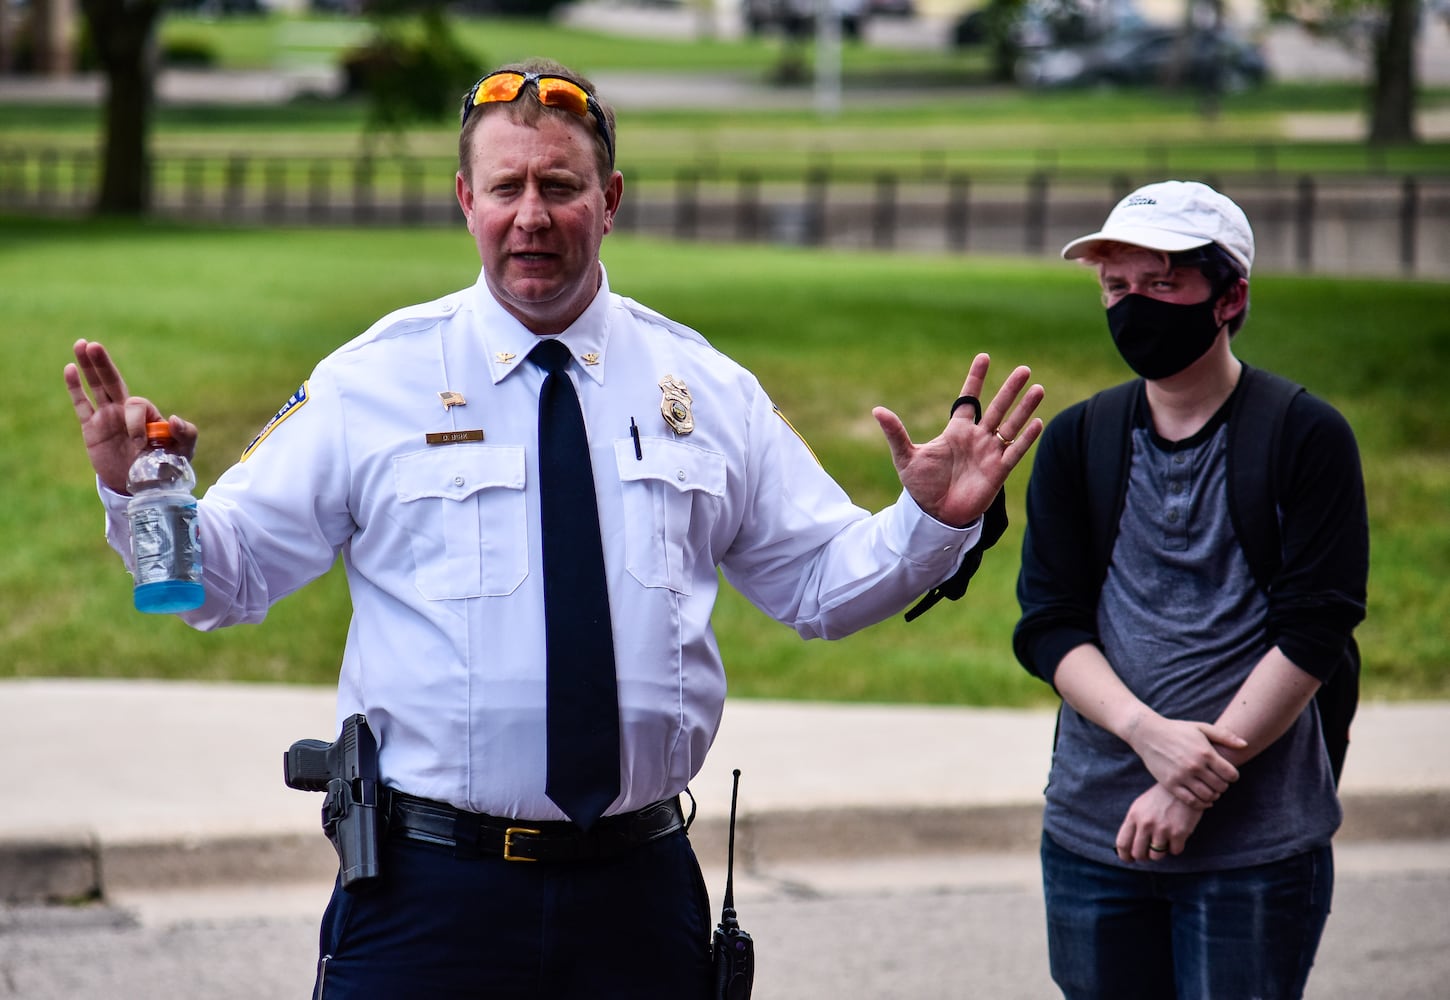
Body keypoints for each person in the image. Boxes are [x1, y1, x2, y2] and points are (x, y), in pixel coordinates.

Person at [64, 58, 1044, 1000]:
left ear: (609, 199)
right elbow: (207, 587)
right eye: (506, 188)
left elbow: (820, 586)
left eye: (560, 186)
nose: (530, 215)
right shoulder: (373, 380)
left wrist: (928, 523)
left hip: (639, 895)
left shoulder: (703, 387)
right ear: (465, 200)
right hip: (427, 897)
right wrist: (143, 499)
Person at [1013, 180, 1369, 1000]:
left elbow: (1316, 628)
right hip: (1090, 837)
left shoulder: (1305, 436)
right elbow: (1049, 626)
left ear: (1230, 296)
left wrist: (1188, 784)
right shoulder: (1078, 440)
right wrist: (1149, 736)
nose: (1133, 307)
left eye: (1161, 284)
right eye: (1117, 288)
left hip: (1255, 850)